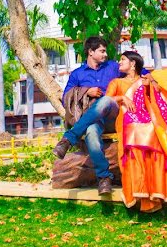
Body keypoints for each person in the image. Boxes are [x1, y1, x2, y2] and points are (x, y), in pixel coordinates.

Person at [52, 36, 121, 195]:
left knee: (105, 100)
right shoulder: (77, 74)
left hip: (112, 116)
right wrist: (85, 92)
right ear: (91, 52)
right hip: (92, 119)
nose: (105, 55)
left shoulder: (112, 67)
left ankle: (68, 139)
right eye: (102, 51)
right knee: (90, 132)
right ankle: (104, 178)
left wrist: (149, 76)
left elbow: (136, 69)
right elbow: (65, 98)